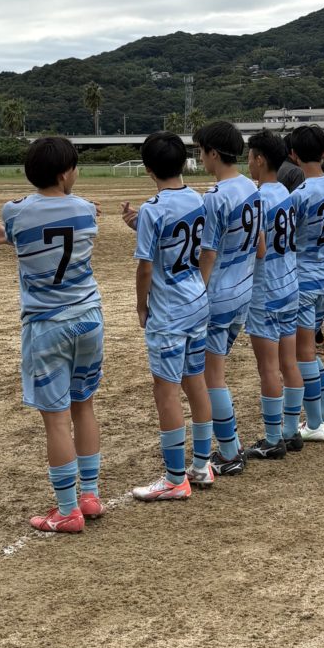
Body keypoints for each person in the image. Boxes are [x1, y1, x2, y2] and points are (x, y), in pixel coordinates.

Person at [0, 134, 104, 535]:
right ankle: (90, 495)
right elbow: (66, 224)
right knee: (84, 406)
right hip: (89, 318)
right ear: (65, 173)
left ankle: (67, 510)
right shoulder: (87, 210)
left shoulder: (14, 211)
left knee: (56, 420)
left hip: (47, 324)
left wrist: (7, 237)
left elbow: (27, 229)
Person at [129, 132, 212, 503]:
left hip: (169, 310)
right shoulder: (198, 199)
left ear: (148, 169)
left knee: (165, 390)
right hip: (197, 301)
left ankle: (175, 479)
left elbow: (145, 267)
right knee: (195, 380)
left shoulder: (153, 208)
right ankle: (203, 464)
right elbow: (204, 250)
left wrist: (141, 305)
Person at [194, 119, 261, 476]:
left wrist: (199, 292)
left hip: (219, 295)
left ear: (214, 153)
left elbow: (208, 252)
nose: (200, 157)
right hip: (243, 292)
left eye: (201, 151)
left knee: (212, 376)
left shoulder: (215, 196)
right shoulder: (251, 187)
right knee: (214, 373)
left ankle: (230, 451)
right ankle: (230, 446)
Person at [245, 129, 304, 460]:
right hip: (290, 284)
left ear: (259, 159)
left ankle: (271, 439)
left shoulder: (258, 198)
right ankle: (291, 430)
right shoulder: (285, 192)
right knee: (288, 361)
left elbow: (259, 247)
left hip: (265, 289)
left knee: (268, 367)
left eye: (250, 157)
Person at [286, 124, 324, 437]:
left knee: (303, 353)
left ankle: (314, 423)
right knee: (310, 349)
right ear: (323, 152)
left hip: (303, 279)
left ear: (293, 155)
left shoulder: (299, 196)